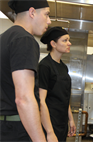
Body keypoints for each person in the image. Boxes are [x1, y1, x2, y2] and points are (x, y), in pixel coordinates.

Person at [0, 0, 51, 142]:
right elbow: (23, 99)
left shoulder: (3, 38)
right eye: (47, 15)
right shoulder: (24, 40)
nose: (49, 21)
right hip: (16, 129)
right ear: (32, 12)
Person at [38, 27, 76, 142]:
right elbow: (41, 101)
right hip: (49, 122)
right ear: (53, 44)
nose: (69, 43)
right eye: (64, 40)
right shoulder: (45, 66)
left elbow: (65, 97)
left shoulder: (63, 67)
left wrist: (71, 120)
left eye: (68, 40)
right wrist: (49, 132)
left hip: (62, 122)